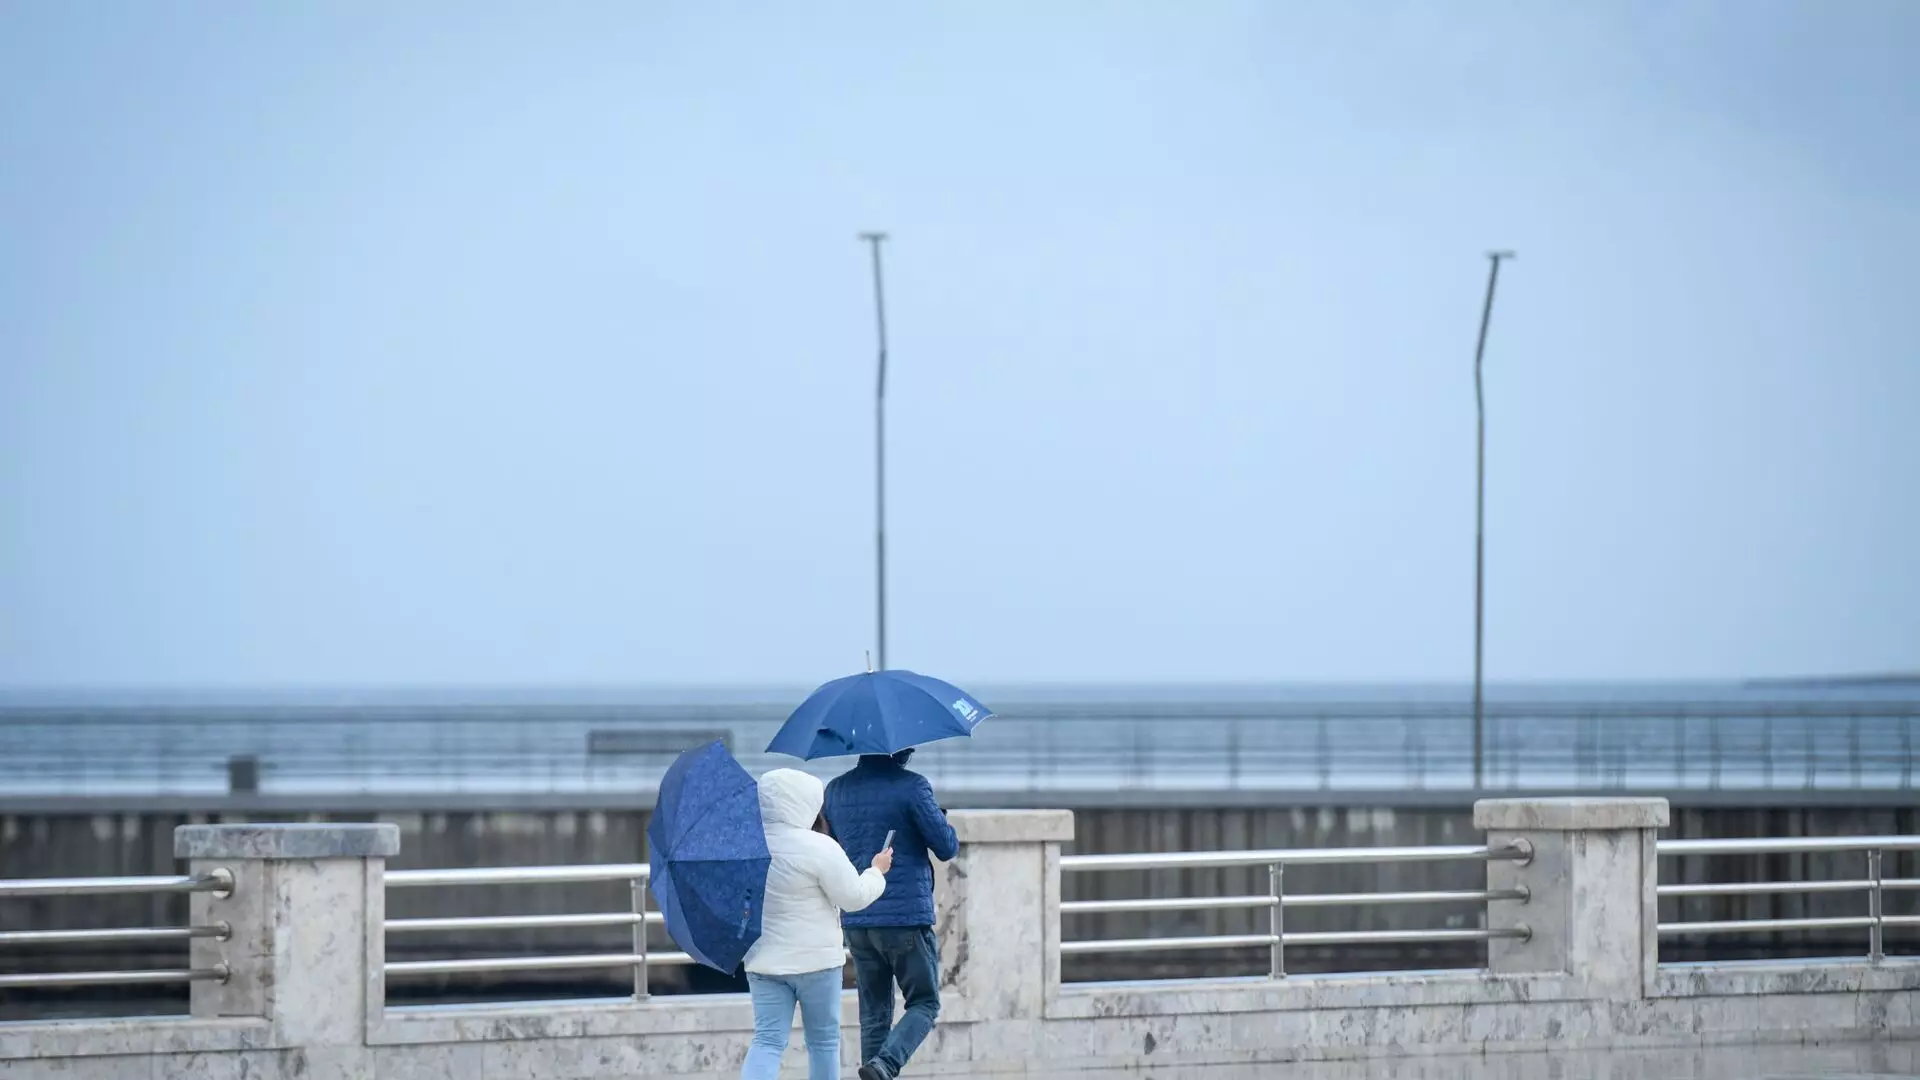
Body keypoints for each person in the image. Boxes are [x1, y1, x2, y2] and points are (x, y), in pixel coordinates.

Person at [741, 768, 893, 1080]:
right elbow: (854, 897)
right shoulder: (820, 847)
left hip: (764, 962)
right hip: (817, 963)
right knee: (823, 1042)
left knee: (767, 1041)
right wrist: (877, 871)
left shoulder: (746, 847)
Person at [823, 748, 960, 1080]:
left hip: (858, 918)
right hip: (905, 918)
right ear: (900, 750)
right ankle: (886, 1065)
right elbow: (946, 847)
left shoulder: (835, 791)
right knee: (925, 1003)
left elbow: (835, 845)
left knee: (874, 1015)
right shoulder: (912, 787)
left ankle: (877, 1070)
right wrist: (938, 818)